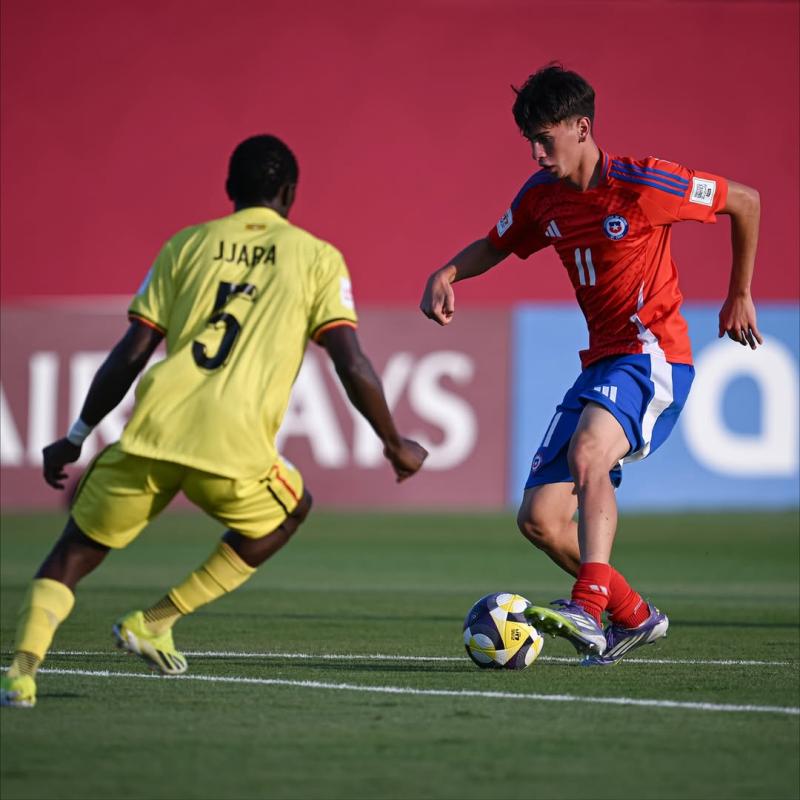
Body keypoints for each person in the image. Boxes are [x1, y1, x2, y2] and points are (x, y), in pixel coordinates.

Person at [1, 134, 428, 707]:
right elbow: (350, 361)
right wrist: (394, 442)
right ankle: (155, 619)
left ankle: (21, 673)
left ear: (230, 190)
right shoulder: (318, 257)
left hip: (155, 430)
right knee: (289, 510)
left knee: (73, 552)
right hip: (233, 447)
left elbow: (130, 352)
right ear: (290, 192)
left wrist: (76, 435)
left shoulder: (186, 245)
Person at [420, 64, 761, 665]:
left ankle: (588, 606)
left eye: (544, 138)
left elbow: (745, 201)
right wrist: (448, 271)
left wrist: (740, 292)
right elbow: (495, 244)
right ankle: (632, 616)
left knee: (587, 456)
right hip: (600, 362)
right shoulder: (540, 196)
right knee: (541, 519)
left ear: (582, 127)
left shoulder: (646, 183)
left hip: (652, 355)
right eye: (528, 139)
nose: (535, 151)